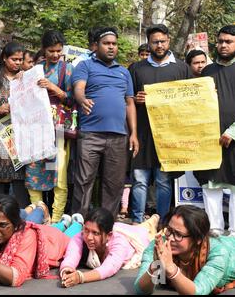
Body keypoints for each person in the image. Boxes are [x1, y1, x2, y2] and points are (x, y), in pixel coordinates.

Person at [71, 27, 139, 219]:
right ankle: (78, 222)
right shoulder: (85, 66)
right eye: (106, 43)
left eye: (114, 44)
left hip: (119, 136)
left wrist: (133, 133)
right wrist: (82, 99)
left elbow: (129, 103)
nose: (111, 47)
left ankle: (106, 225)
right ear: (96, 46)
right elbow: (78, 88)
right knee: (84, 180)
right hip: (90, 134)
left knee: (114, 183)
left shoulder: (124, 72)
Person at [129, 24, 192, 224]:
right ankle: (138, 221)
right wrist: (135, 99)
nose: (159, 45)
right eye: (155, 42)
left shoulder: (181, 68)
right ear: (149, 43)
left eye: (163, 41)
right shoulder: (136, 68)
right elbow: (127, 100)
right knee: (139, 180)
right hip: (142, 133)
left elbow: (191, 100)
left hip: (168, 136)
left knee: (164, 181)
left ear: (169, 41)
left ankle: (163, 222)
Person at [0, 195, 70, 286]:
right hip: (48, 230)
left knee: (73, 231)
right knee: (58, 225)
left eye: (3, 225)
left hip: (57, 242)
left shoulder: (27, 235)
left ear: (16, 224)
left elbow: (15, 278)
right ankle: (62, 222)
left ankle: (73, 222)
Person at [25, 30, 73, 223]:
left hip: (58, 129)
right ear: (44, 49)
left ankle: (55, 219)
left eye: (58, 51)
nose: (55, 54)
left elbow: (72, 99)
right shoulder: (34, 69)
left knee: (59, 174)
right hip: (35, 129)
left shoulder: (67, 70)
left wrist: (53, 88)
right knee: (33, 173)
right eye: (51, 50)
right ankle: (37, 214)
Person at [135, 205, 235, 295]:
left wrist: (171, 269)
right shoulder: (158, 245)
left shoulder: (217, 252)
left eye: (178, 235)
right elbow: (141, 290)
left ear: (198, 239)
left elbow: (198, 292)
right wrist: (155, 267)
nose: (170, 238)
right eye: (169, 230)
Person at [194, 25, 235, 237]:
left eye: (228, 41)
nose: (223, 45)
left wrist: (232, 132)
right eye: (220, 41)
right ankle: (215, 229)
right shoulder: (207, 71)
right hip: (209, 139)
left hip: (233, 138)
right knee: (210, 184)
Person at [60, 208, 159, 287]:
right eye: (86, 230)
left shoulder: (119, 242)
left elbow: (109, 267)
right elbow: (71, 254)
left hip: (141, 236)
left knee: (149, 232)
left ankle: (152, 221)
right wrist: (67, 270)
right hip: (119, 227)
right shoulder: (80, 236)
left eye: (96, 233)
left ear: (109, 235)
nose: (89, 237)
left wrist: (80, 277)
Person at [0, 41, 29, 208]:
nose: (18, 63)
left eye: (20, 60)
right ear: (4, 58)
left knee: (20, 178)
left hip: (19, 136)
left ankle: (22, 218)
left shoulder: (26, 77)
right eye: (14, 59)